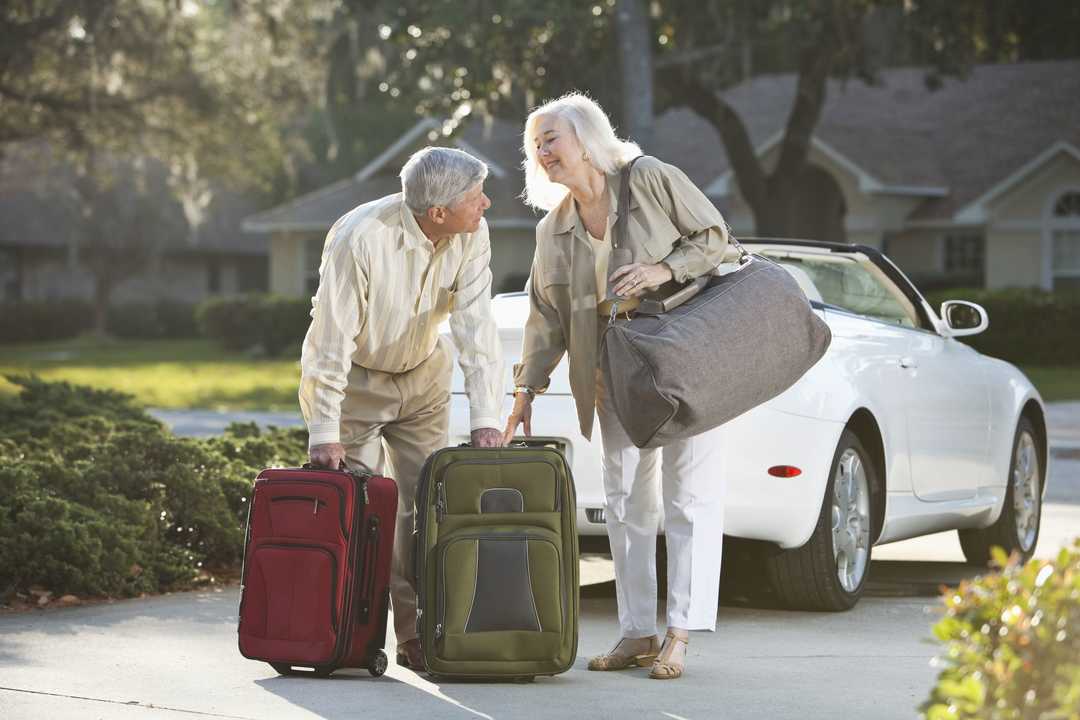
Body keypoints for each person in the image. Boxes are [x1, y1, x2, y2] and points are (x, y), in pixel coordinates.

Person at [503, 93, 731, 680]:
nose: (542, 151)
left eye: (551, 137)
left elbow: (715, 239)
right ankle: (637, 632)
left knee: (689, 498)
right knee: (628, 503)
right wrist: (526, 388)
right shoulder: (553, 229)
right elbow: (545, 315)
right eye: (536, 144)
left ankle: (679, 632)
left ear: (586, 137)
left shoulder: (649, 178)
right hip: (613, 377)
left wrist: (663, 269)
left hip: (688, 364)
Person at [300, 146, 505, 670]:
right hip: (359, 382)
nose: (487, 202)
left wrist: (485, 418)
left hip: (422, 377)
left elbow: (475, 325)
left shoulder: (471, 233)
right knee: (366, 516)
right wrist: (324, 428)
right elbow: (330, 336)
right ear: (438, 212)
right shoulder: (361, 237)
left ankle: (420, 636)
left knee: (427, 507)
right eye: (476, 196)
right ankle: (354, 634)